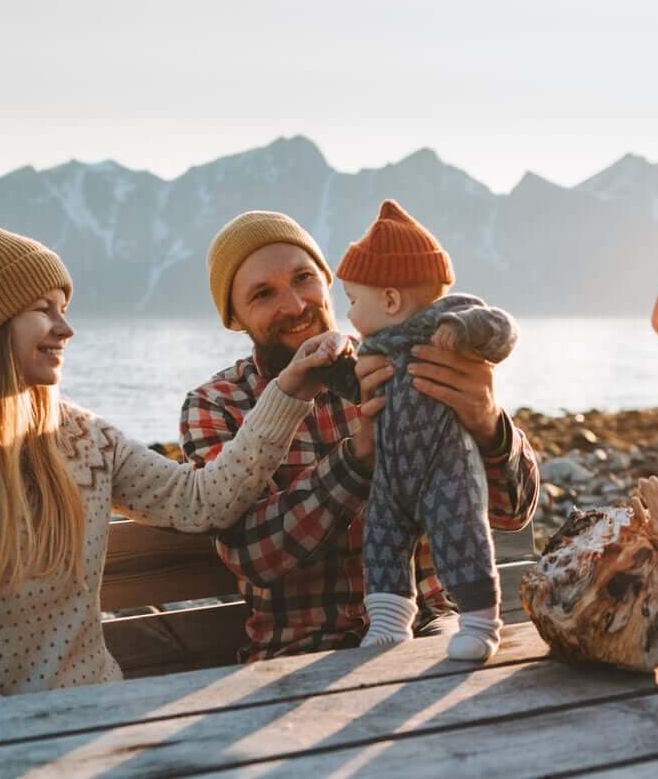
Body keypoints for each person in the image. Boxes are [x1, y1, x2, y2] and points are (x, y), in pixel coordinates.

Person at [0, 220, 345, 710]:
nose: (67, 328)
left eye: (63, 309)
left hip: (95, 721)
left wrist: (288, 392)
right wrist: (15, 734)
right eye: (44, 310)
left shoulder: (84, 440)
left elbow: (201, 502)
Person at [180, 209, 540, 662]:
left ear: (329, 280)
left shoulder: (406, 357)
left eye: (304, 278)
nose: (294, 305)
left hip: (432, 632)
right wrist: (357, 461)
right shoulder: (218, 404)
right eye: (263, 294)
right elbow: (252, 553)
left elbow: (515, 513)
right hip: (300, 654)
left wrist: (487, 422)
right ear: (234, 317)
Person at [318, 199, 519, 662]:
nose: (347, 315)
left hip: (443, 467)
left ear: (390, 299)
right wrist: (330, 367)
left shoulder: (446, 320)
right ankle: (388, 625)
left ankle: (480, 623)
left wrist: (461, 329)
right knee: (382, 541)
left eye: (352, 301)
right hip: (391, 478)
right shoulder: (375, 349)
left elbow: (501, 329)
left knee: (461, 534)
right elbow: (357, 387)